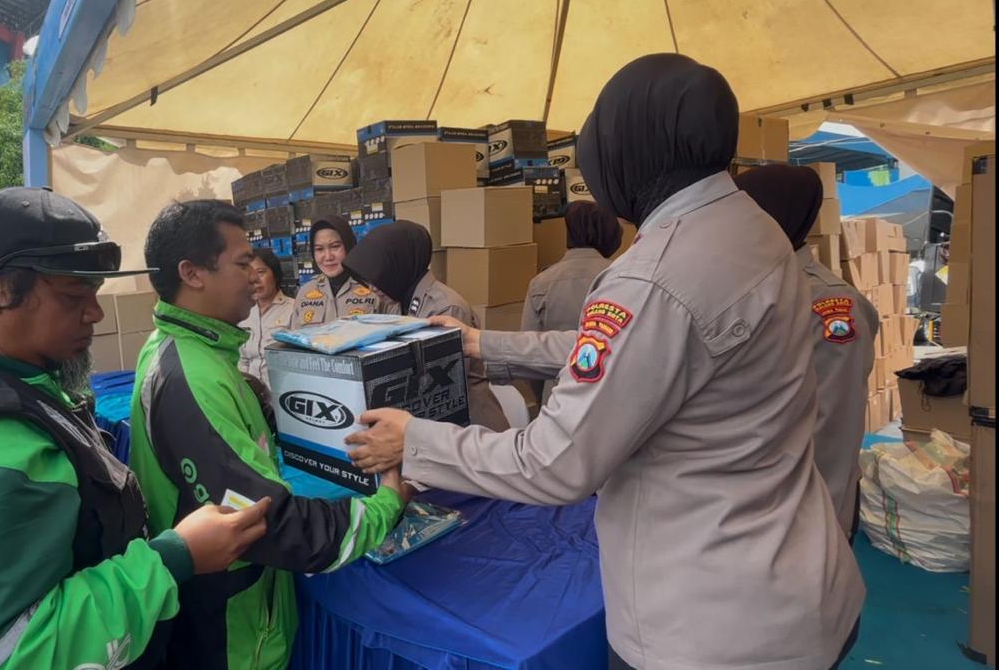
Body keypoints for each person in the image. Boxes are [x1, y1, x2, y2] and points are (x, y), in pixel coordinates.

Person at [348, 54, 864, 670]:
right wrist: (483, 343)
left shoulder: (654, 274)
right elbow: (645, 352)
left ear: (629, 151)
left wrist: (415, 441)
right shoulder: (752, 228)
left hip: (711, 623)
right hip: (799, 580)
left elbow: (556, 461)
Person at [0, 187, 270, 670]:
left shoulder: (8, 384)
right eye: (73, 296)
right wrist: (173, 557)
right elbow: (2, 657)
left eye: (95, 293)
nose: (95, 312)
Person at [129, 200, 410, 670]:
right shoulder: (191, 377)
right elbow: (269, 523)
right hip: (230, 624)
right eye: (243, 264)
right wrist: (388, 503)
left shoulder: (190, 350)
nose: (255, 277)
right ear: (193, 274)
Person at [737, 164, 879, 541]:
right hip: (754, 503)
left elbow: (834, 424)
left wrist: (819, 530)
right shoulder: (752, 286)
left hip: (803, 515)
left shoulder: (828, 304)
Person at [342, 220, 509, 431]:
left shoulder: (445, 307)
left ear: (400, 265)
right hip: (430, 426)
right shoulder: (396, 302)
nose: (372, 287)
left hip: (470, 429)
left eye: (380, 274)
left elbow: (442, 385)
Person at [520, 201, 622, 403]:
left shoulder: (541, 282)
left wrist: (543, 396)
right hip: (612, 395)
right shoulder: (623, 276)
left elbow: (528, 353)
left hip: (558, 396)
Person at [290, 216, 395, 327]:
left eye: (335, 247)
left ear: (349, 246)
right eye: (319, 249)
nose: (328, 257)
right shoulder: (305, 292)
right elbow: (294, 335)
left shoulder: (376, 288)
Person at [238, 248, 293, 387]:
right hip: (251, 392)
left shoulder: (294, 309)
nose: (255, 279)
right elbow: (242, 360)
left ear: (275, 274)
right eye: (249, 273)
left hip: (282, 390)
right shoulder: (244, 312)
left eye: (261, 272)